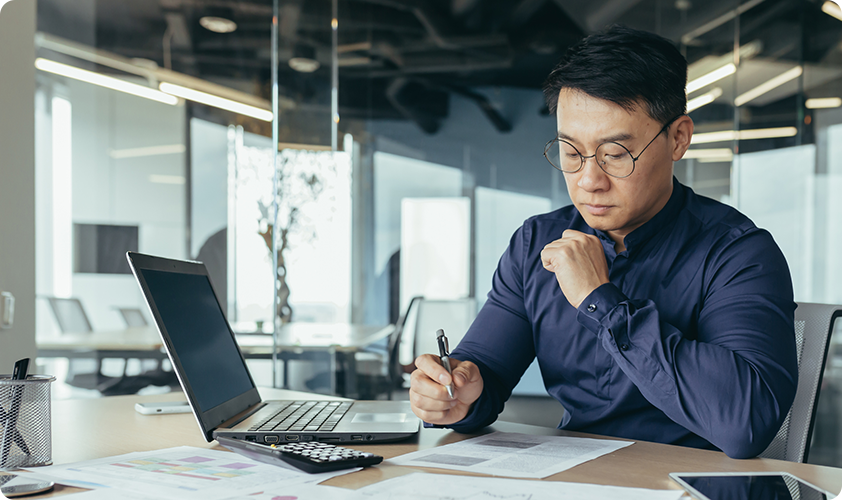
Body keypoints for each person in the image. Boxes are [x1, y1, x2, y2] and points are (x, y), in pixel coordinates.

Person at [408, 25, 798, 459]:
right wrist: (455, 395)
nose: (589, 181)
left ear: (678, 138)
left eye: (615, 154)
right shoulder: (536, 243)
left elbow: (746, 423)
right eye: (571, 153)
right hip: (577, 480)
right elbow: (485, 370)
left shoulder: (738, 253)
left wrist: (600, 300)